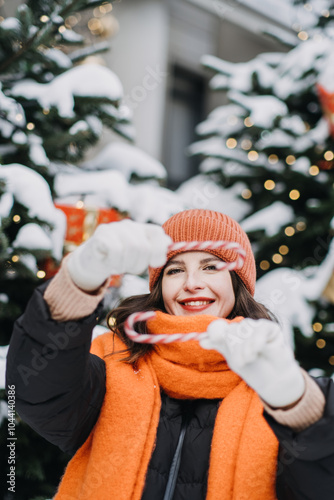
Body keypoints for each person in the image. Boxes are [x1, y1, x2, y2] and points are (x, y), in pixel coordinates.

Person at [6, 209, 334, 500]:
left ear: (237, 282)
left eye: (210, 266)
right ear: (159, 285)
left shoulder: (274, 379)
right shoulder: (112, 362)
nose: (192, 283)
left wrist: (299, 408)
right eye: (175, 270)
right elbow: (37, 394)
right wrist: (77, 280)